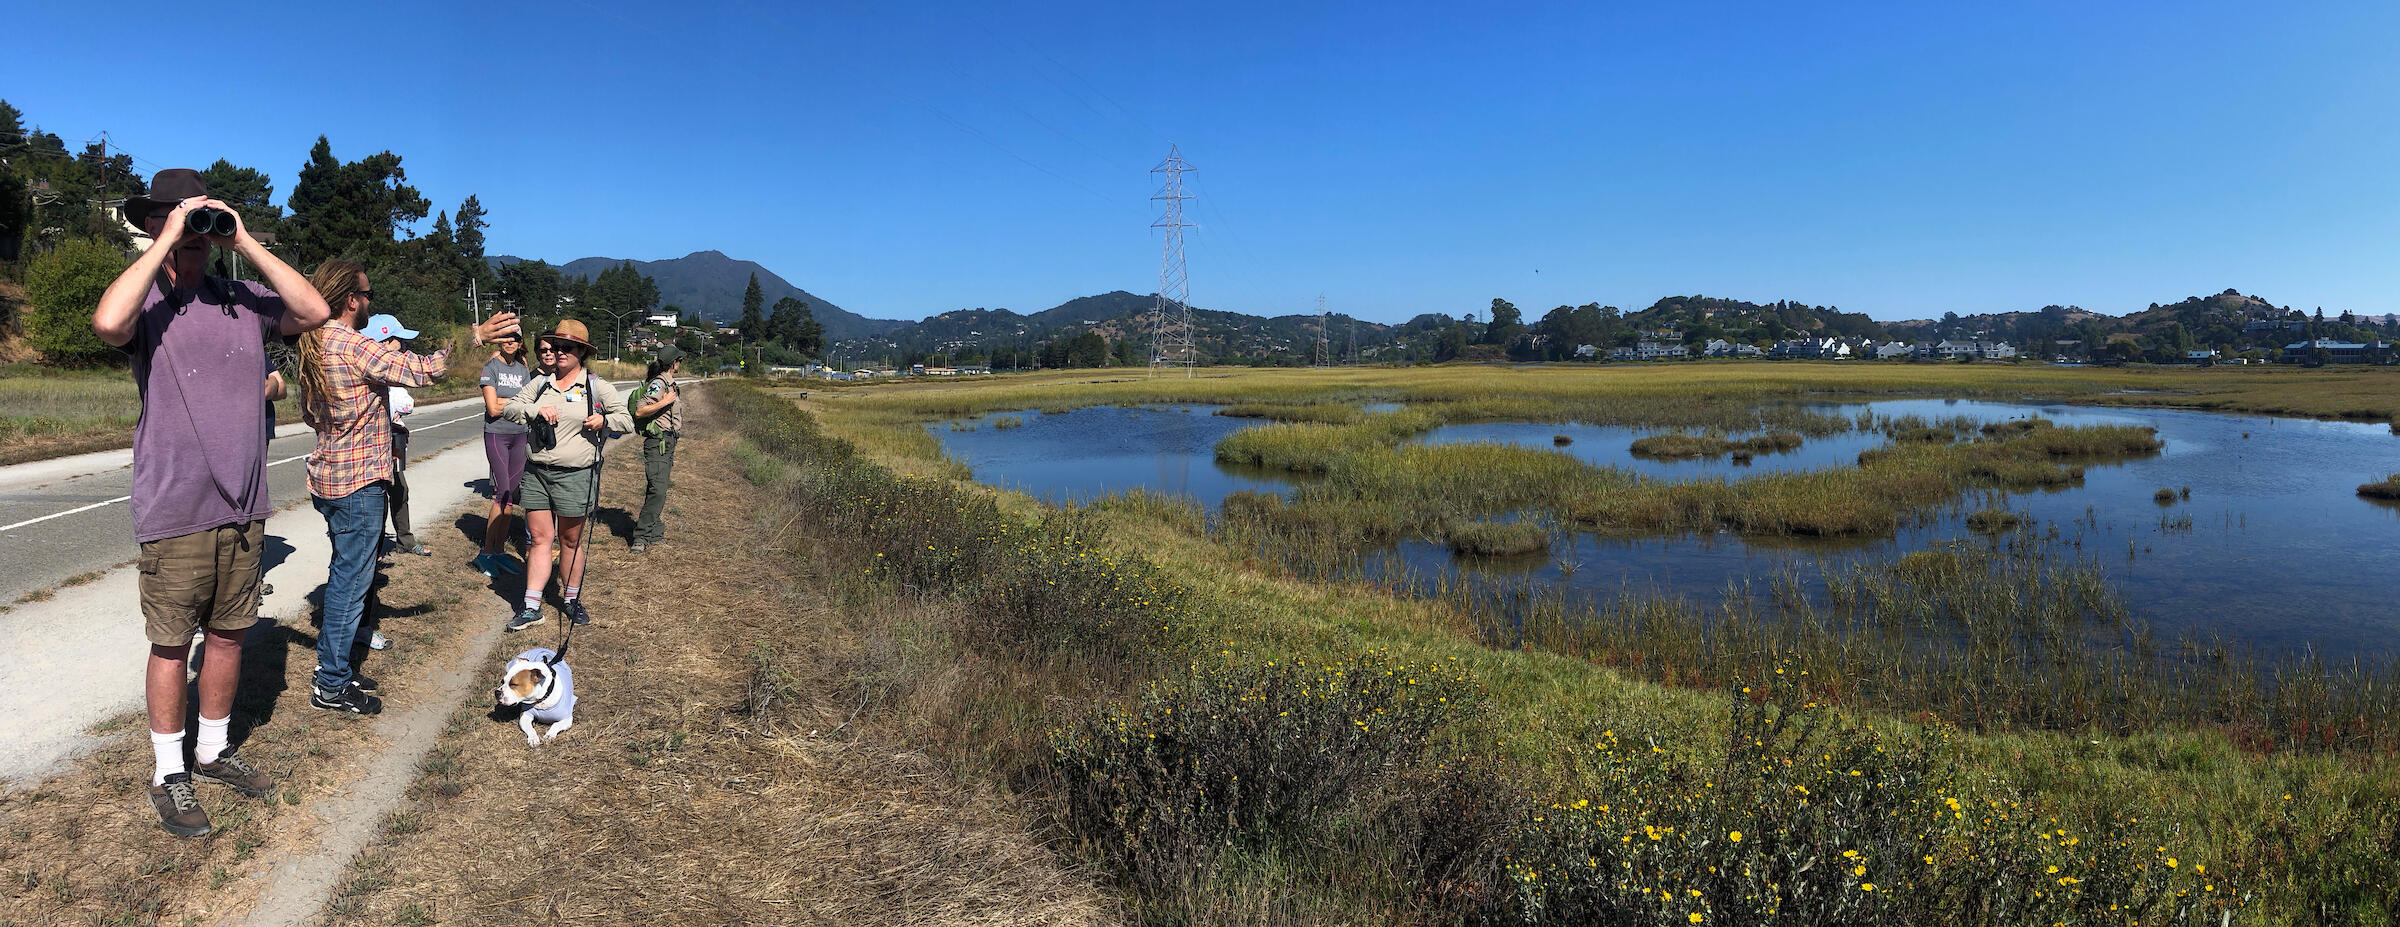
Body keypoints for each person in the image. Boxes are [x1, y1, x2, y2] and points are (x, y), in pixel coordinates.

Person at [92, 168, 333, 836]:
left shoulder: (245, 299)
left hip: (244, 503)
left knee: (230, 633)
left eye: (201, 224)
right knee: (172, 644)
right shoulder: (145, 304)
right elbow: (106, 321)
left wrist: (243, 238)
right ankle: (170, 771)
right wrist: (165, 238)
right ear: (151, 223)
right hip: (174, 505)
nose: (192, 236)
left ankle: (213, 748)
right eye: (176, 221)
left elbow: (314, 311)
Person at [293, 260, 517, 716]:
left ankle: (339, 666)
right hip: (358, 482)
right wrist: (472, 339)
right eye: (368, 295)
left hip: (329, 476)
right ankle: (331, 682)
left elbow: (309, 414)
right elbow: (426, 370)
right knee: (349, 583)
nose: (370, 303)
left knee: (347, 575)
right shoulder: (351, 344)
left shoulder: (311, 343)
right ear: (351, 300)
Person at [502, 320, 632, 632]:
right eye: (556, 346)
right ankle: (531, 606)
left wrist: (604, 420)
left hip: (576, 476)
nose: (559, 352)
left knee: (570, 540)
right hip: (537, 474)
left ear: (581, 352)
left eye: (567, 347)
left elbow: (626, 421)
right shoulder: (541, 383)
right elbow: (509, 408)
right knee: (541, 540)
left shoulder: (595, 386)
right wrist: (535, 411)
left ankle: (571, 600)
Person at [363, 315, 430, 564]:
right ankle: (375, 548)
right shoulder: (371, 373)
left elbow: (405, 403)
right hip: (374, 443)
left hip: (394, 437)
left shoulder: (392, 373)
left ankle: (405, 540)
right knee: (376, 494)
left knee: (399, 488)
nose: (402, 346)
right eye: (397, 341)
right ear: (383, 341)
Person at [475, 329, 534, 577]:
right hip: (498, 436)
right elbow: (492, 408)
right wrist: (516, 404)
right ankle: (486, 553)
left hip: (520, 436)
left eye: (515, 338)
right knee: (501, 494)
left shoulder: (523, 370)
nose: (510, 342)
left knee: (511, 498)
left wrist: (505, 402)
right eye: (506, 338)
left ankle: (499, 551)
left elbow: (530, 403)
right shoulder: (491, 368)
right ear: (499, 341)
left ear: (521, 343)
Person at [630, 345, 684, 554]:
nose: (680, 364)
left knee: (659, 490)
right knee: (658, 490)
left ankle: (655, 533)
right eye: (679, 361)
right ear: (673, 363)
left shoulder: (669, 383)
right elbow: (640, 410)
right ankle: (641, 537)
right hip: (658, 443)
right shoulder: (659, 384)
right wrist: (665, 402)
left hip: (668, 443)